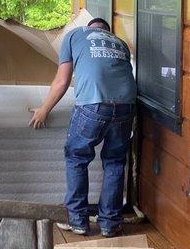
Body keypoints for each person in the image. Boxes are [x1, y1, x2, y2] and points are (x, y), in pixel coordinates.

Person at [29, 18, 136, 237]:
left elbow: (62, 80)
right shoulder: (119, 43)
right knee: (115, 162)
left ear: (90, 27)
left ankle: (77, 220)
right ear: (107, 31)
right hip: (126, 105)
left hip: (93, 104)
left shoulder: (75, 34)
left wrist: (44, 110)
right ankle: (110, 224)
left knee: (77, 158)